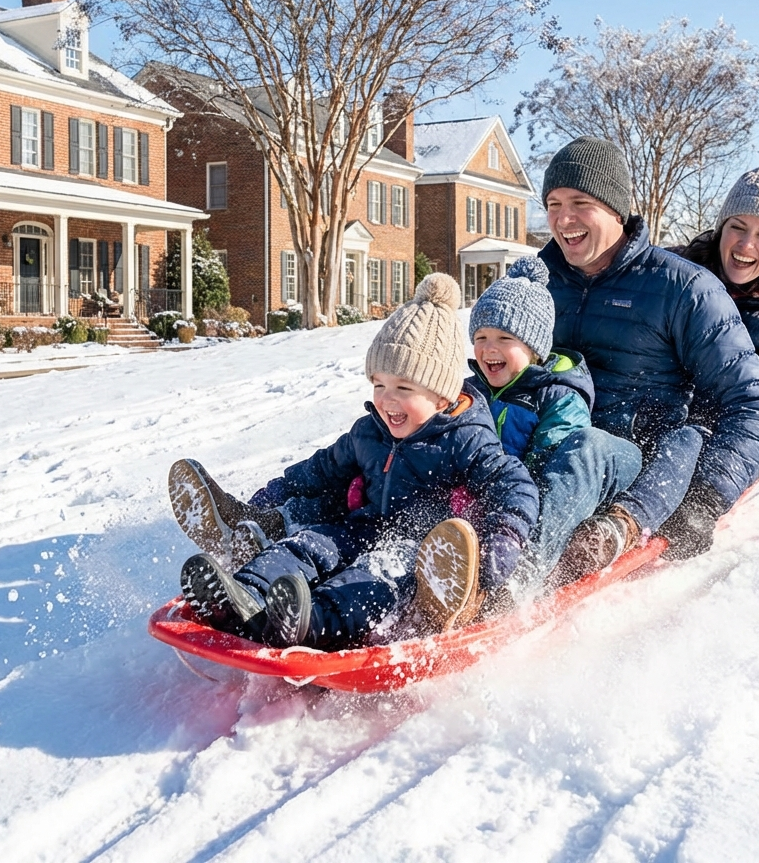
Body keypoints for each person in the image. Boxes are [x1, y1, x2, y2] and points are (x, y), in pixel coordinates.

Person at [178, 273, 539, 650]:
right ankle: (244, 596)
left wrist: (504, 539)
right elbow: (319, 470)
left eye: (404, 388)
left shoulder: (464, 438)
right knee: (308, 544)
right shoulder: (369, 432)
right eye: (379, 385)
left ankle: (311, 622)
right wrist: (269, 497)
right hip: (362, 526)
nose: (387, 400)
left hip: (415, 550)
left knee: (371, 578)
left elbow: (514, 484)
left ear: (441, 396)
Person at [537, 136, 759, 565]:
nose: (563, 218)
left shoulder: (683, 288)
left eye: (579, 202)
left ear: (616, 209)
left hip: (625, 466)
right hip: (538, 447)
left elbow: (751, 403)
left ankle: (508, 581)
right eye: (553, 204)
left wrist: (706, 496)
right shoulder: (537, 283)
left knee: (585, 456)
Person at [466, 256, 641, 585]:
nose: (490, 349)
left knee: (579, 454)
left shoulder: (558, 397)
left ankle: (523, 573)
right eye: (481, 338)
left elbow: (551, 473)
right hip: (490, 506)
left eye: (505, 339)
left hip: (539, 505)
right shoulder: (471, 392)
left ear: (534, 349)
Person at [667, 166, 759, 556]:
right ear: (720, 228)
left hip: (714, 446)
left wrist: (709, 495)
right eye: (738, 227)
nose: (746, 244)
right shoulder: (674, 274)